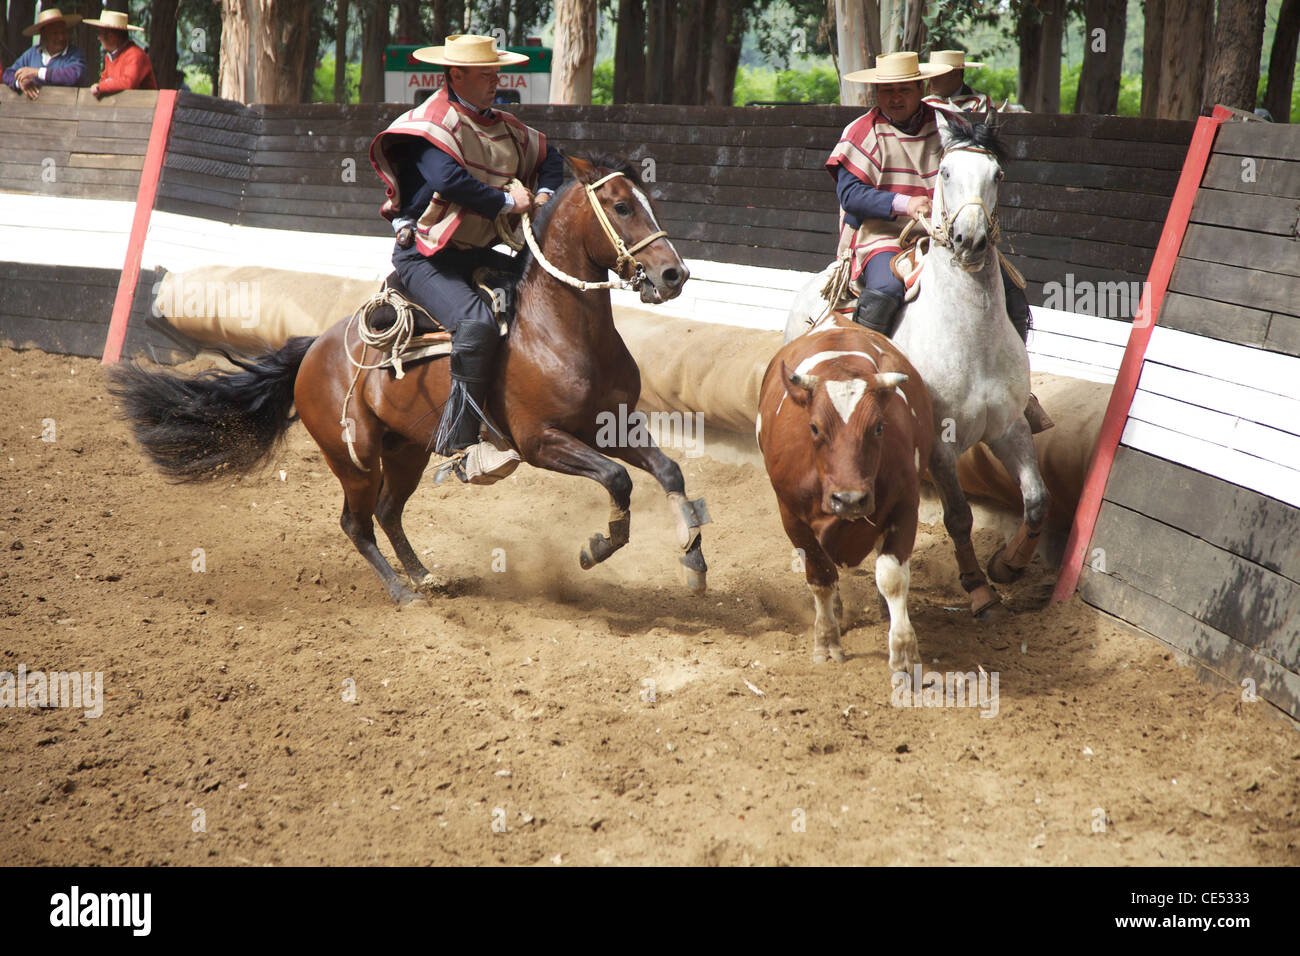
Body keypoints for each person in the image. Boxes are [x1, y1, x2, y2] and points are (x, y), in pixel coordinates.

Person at [827, 51, 1051, 431]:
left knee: (1011, 290)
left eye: (903, 89)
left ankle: (1016, 391)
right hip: (882, 237)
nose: (894, 97)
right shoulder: (861, 132)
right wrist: (905, 203)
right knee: (884, 290)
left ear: (920, 88)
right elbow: (850, 195)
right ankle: (862, 388)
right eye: (886, 91)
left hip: (945, 236)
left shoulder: (948, 124)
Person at [369, 34, 563, 458]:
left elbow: (551, 157)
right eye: (487, 75)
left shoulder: (502, 125)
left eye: (497, 74)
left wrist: (544, 195)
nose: (497, 82)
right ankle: (459, 443)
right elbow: (447, 180)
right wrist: (510, 202)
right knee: (475, 324)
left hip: (472, 252)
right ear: (456, 74)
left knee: (546, 297)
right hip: (425, 256)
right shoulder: (430, 122)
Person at [2, 8, 87, 99]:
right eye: (55, 33)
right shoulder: (32, 53)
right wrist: (20, 83)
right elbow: (8, 74)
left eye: (63, 32)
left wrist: (37, 72)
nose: (61, 37)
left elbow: (75, 75)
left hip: (65, 110)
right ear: (43, 34)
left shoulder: (74, 54)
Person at [82, 9, 157, 97]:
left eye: (100, 34)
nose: (99, 38)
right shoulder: (109, 56)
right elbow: (105, 80)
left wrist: (100, 87)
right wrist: (102, 86)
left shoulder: (135, 54)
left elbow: (128, 82)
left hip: (144, 107)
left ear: (111, 37)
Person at [923, 50, 992, 113]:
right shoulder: (925, 103)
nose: (931, 79)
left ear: (955, 73)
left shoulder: (980, 101)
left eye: (937, 74)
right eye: (931, 73)